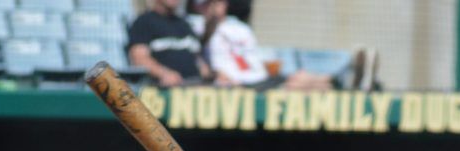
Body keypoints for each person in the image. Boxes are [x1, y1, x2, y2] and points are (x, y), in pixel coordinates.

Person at [194, 0, 332, 90]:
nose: (218, 5)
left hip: (257, 77)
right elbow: (204, 60)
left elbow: (253, 57)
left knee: (301, 78)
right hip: (238, 83)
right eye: (212, 3)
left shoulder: (239, 27)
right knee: (296, 83)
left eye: (220, 2)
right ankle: (327, 79)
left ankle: (328, 79)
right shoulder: (200, 27)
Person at [127, 0, 213, 87]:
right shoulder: (144, 22)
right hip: (163, 91)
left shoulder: (185, 25)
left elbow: (199, 60)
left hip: (195, 88)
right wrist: (163, 74)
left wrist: (213, 75)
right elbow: (139, 58)